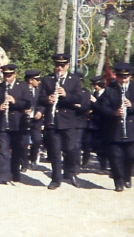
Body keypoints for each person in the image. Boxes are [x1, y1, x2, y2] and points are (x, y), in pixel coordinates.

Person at [101, 63, 134, 192]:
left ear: (130, 76)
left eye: (125, 77)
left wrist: (132, 105)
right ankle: (118, 181)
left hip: (131, 127)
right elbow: (102, 107)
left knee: (131, 155)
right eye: (120, 77)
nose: (123, 80)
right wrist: (114, 112)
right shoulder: (110, 89)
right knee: (115, 157)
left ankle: (127, 175)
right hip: (115, 129)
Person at [38, 53, 82, 190]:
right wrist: (47, 99)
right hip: (52, 120)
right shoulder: (48, 79)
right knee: (55, 151)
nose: (59, 68)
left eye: (62, 65)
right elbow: (40, 97)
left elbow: (79, 98)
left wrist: (66, 95)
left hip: (68, 121)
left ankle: (70, 172)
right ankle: (56, 179)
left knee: (70, 149)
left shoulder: (74, 79)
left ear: (68, 65)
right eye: (57, 65)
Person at [0, 64, 30, 184]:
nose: (7, 78)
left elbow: (28, 103)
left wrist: (15, 102)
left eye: (9, 75)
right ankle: (2, 176)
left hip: (18, 123)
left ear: (15, 74)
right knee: (3, 150)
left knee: (17, 149)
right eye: (5, 75)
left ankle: (15, 173)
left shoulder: (22, 86)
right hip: (4, 123)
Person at [21, 70, 43, 171]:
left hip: (36, 120)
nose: (39, 81)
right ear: (30, 80)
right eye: (37, 79)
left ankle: (33, 158)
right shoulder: (21, 89)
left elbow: (44, 103)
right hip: (24, 119)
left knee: (37, 140)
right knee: (24, 142)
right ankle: (24, 163)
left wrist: (41, 112)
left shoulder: (40, 90)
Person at [89, 75, 111, 173]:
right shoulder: (94, 93)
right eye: (93, 85)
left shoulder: (108, 93)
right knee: (98, 145)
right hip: (95, 122)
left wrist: (95, 102)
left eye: (96, 84)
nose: (94, 87)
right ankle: (102, 165)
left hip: (105, 123)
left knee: (107, 144)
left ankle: (108, 164)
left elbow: (104, 109)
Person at [72, 72, 91, 175]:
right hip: (69, 120)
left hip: (80, 121)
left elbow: (87, 106)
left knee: (77, 144)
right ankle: (69, 165)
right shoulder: (70, 92)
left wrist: (79, 107)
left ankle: (76, 167)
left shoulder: (85, 92)